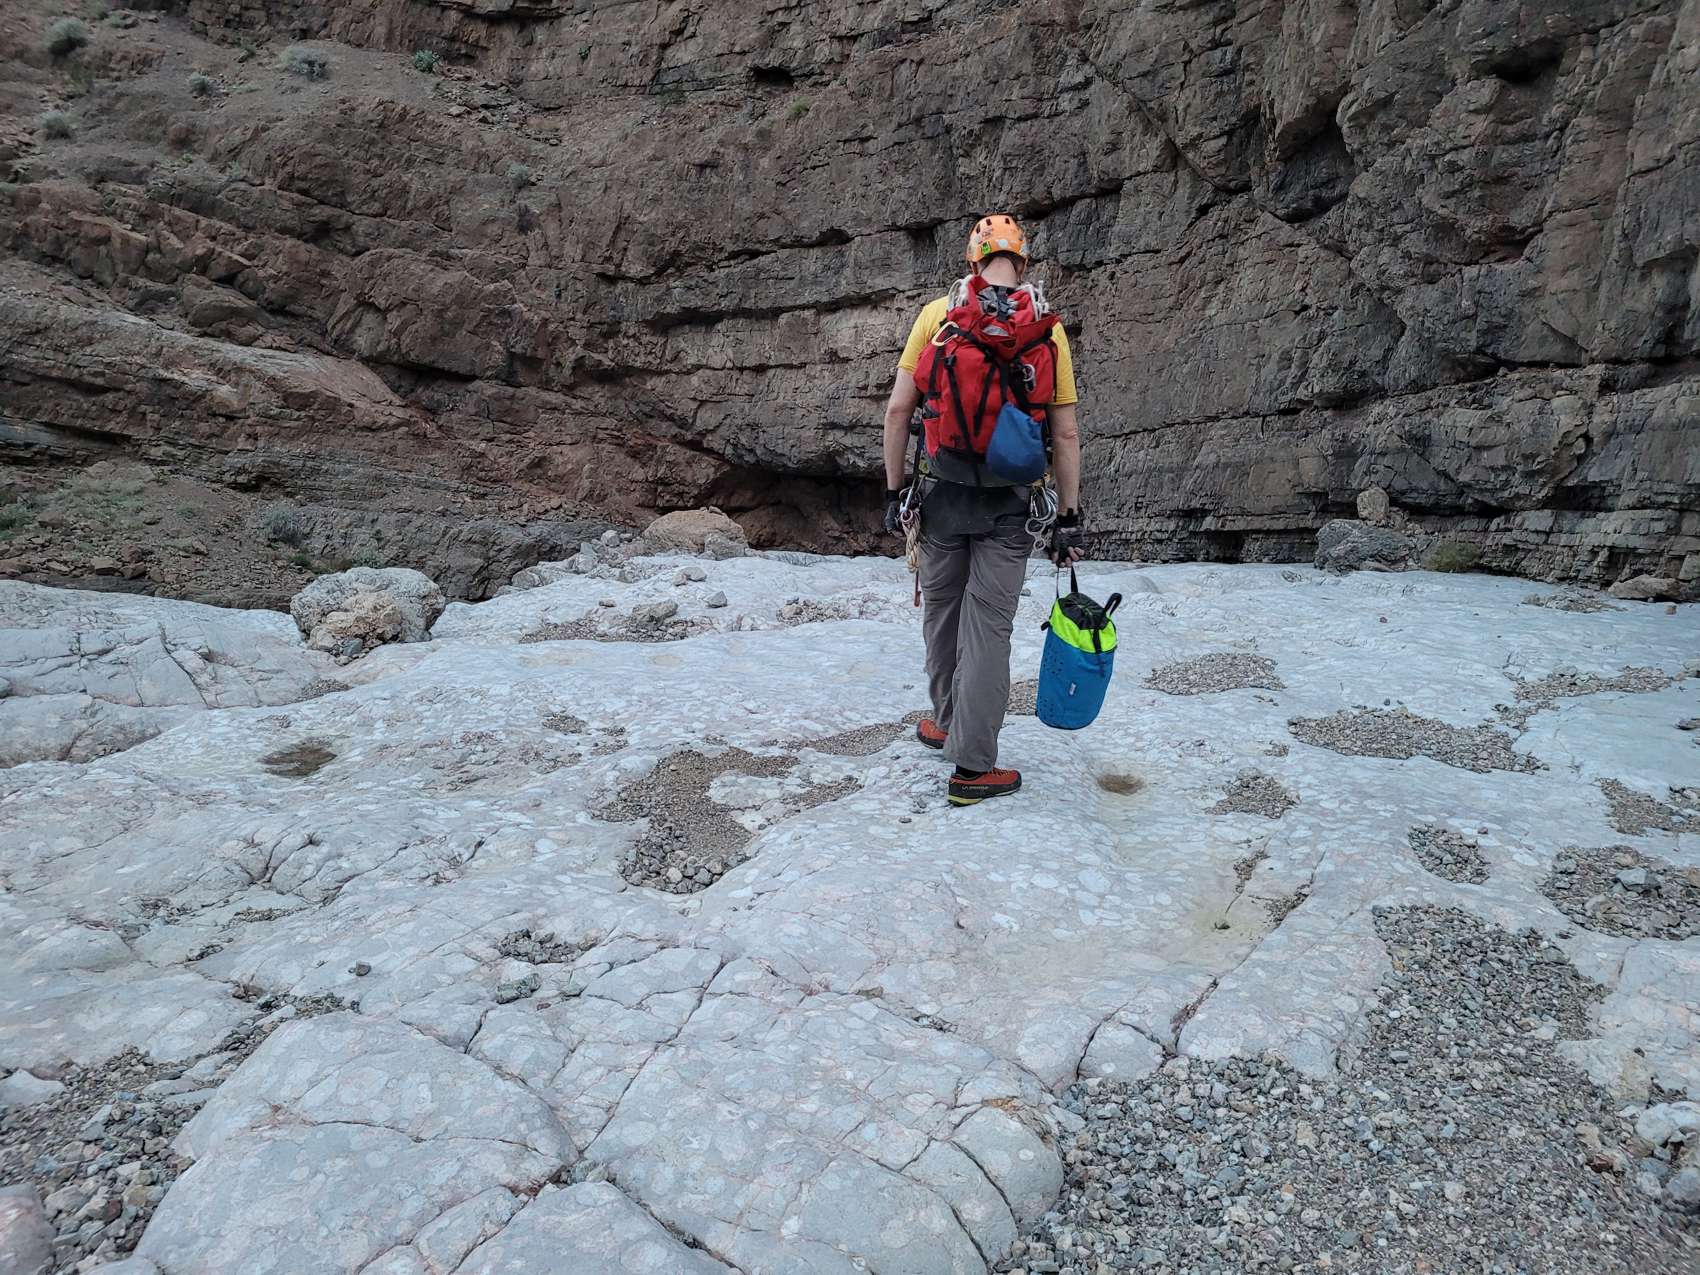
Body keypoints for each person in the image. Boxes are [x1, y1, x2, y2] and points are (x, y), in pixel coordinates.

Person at [881, 214, 1084, 807]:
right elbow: (1065, 434)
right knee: (989, 628)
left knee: (942, 612)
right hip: (1011, 506)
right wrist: (1069, 517)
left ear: (973, 260)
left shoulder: (937, 315)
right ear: (1022, 261)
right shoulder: (1046, 329)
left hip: (940, 495)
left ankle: (946, 722)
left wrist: (894, 493)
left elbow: (898, 412)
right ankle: (972, 766)